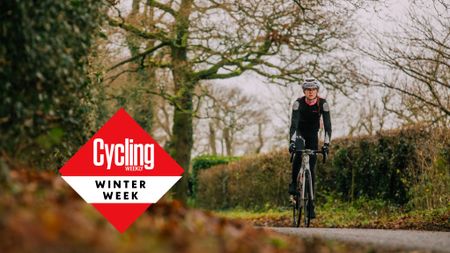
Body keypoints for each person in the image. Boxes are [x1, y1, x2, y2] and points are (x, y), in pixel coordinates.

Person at [288, 78, 332, 219]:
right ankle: (294, 184)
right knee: (299, 154)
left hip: (313, 134)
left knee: (311, 169)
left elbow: (327, 126)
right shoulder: (298, 103)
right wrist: (292, 142)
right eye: (308, 90)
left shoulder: (323, 104)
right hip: (300, 133)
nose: (311, 92)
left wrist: (326, 144)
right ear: (304, 91)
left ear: (317, 91)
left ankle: (311, 204)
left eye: (313, 90)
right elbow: (293, 125)